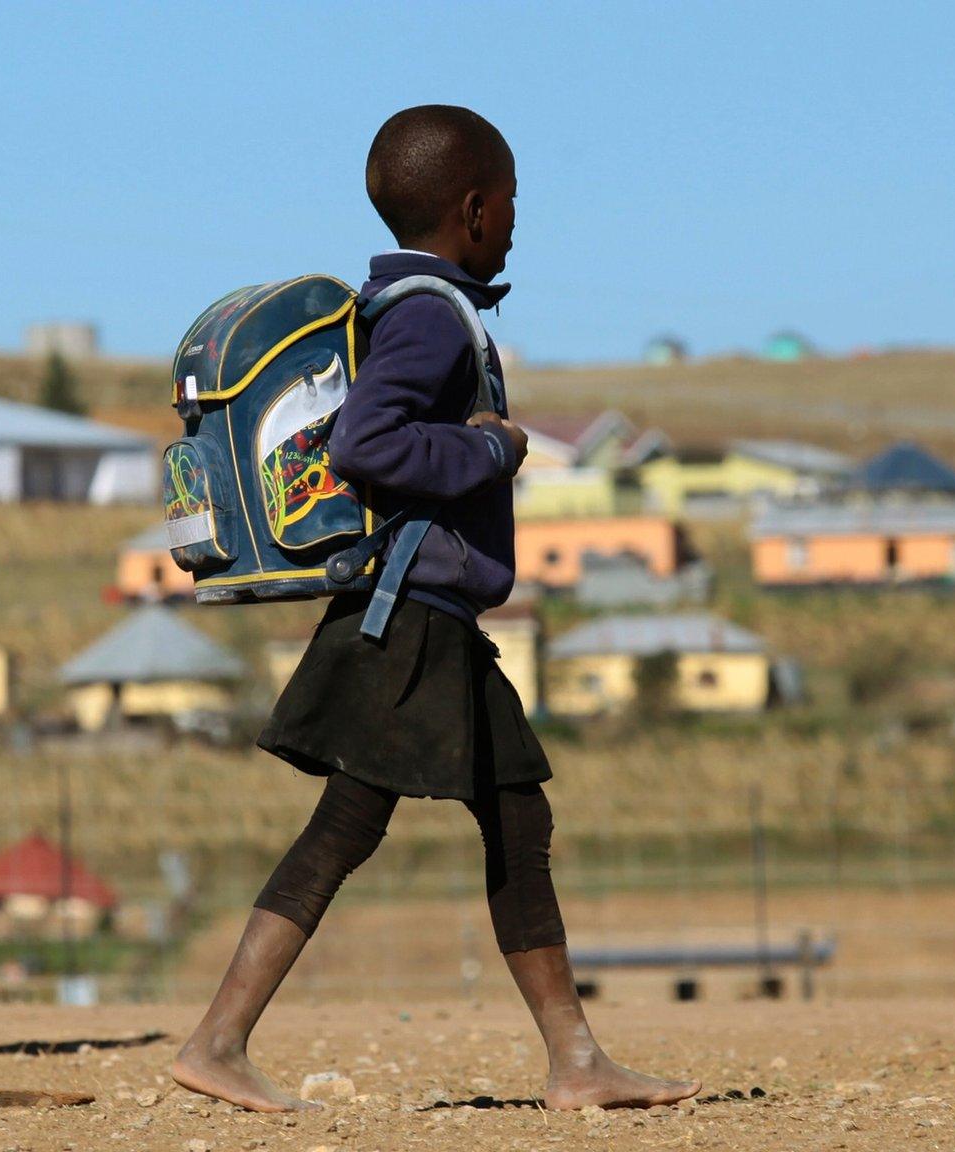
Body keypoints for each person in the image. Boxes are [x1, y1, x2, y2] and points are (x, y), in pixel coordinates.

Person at [170, 105, 700, 1114]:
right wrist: (492, 450)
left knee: (503, 815)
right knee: (362, 824)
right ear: (472, 208)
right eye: (509, 202)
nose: (514, 219)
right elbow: (368, 445)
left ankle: (575, 1061)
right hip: (407, 615)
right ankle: (218, 1041)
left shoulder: (413, 306)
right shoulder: (426, 315)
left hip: (422, 613)